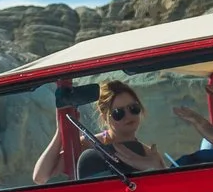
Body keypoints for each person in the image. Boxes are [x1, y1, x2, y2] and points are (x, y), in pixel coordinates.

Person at [32, 78, 170, 182]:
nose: (128, 116)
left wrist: (153, 165)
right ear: (105, 117)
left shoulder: (147, 152)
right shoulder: (88, 145)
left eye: (133, 108)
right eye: (118, 113)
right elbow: (40, 177)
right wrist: (61, 131)